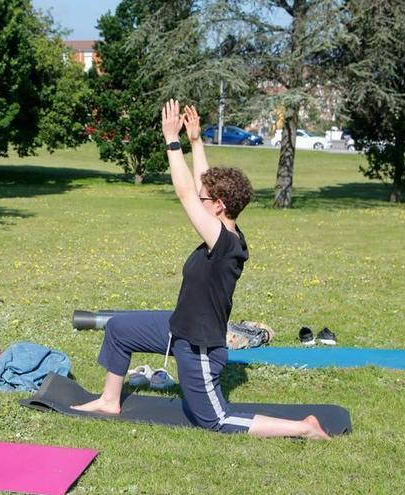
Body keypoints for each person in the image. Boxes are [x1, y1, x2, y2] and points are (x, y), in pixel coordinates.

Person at [71, 101, 330, 440]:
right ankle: (109, 400)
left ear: (219, 206)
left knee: (214, 420)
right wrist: (196, 142)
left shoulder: (224, 243)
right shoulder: (223, 231)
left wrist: (172, 141)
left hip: (199, 346)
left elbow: (185, 193)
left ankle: (303, 429)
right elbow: (201, 188)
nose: (199, 198)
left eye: (205, 199)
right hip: (178, 326)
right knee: (119, 329)